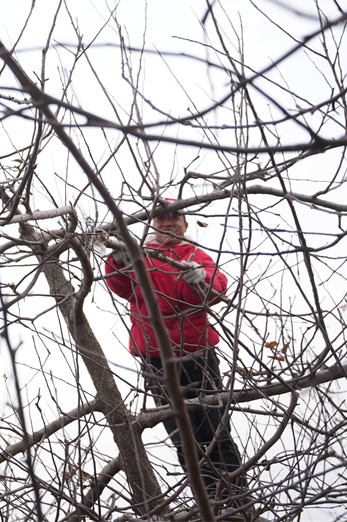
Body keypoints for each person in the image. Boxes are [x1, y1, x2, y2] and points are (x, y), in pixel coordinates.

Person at [104, 200, 249, 510]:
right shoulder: (141, 257)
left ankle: (235, 502)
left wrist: (201, 280)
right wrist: (117, 259)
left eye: (175, 218)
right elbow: (123, 288)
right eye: (161, 219)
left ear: (185, 223)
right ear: (153, 224)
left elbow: (217, 289)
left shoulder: (195, 256)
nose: (168, 223)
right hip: (156, 359)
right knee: (184, 439)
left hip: (198, 355)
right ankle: (209, 503)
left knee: (215, 433)